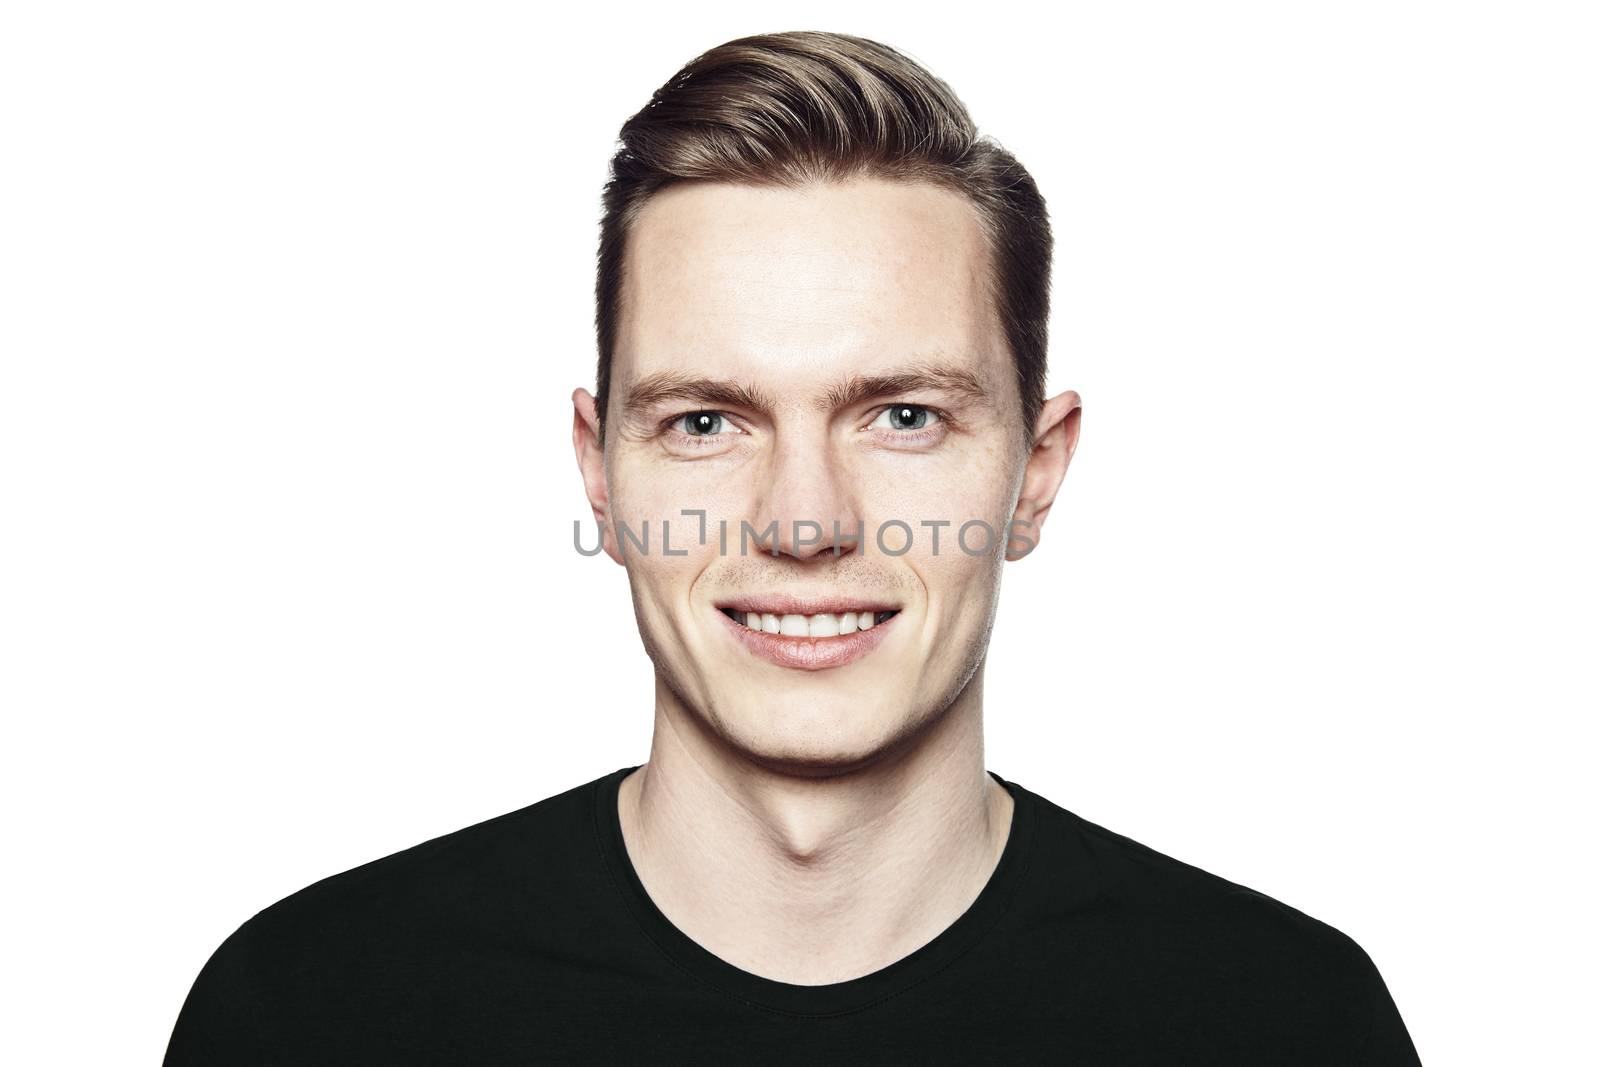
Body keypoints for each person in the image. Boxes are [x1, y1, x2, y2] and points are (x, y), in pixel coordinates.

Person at [164, 30, 1422, 1065]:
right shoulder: (310, 1014)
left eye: (905, 415)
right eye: (707, 420)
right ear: (598, 472)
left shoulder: (1283, 1023)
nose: (805, 519)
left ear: (1035, 472)